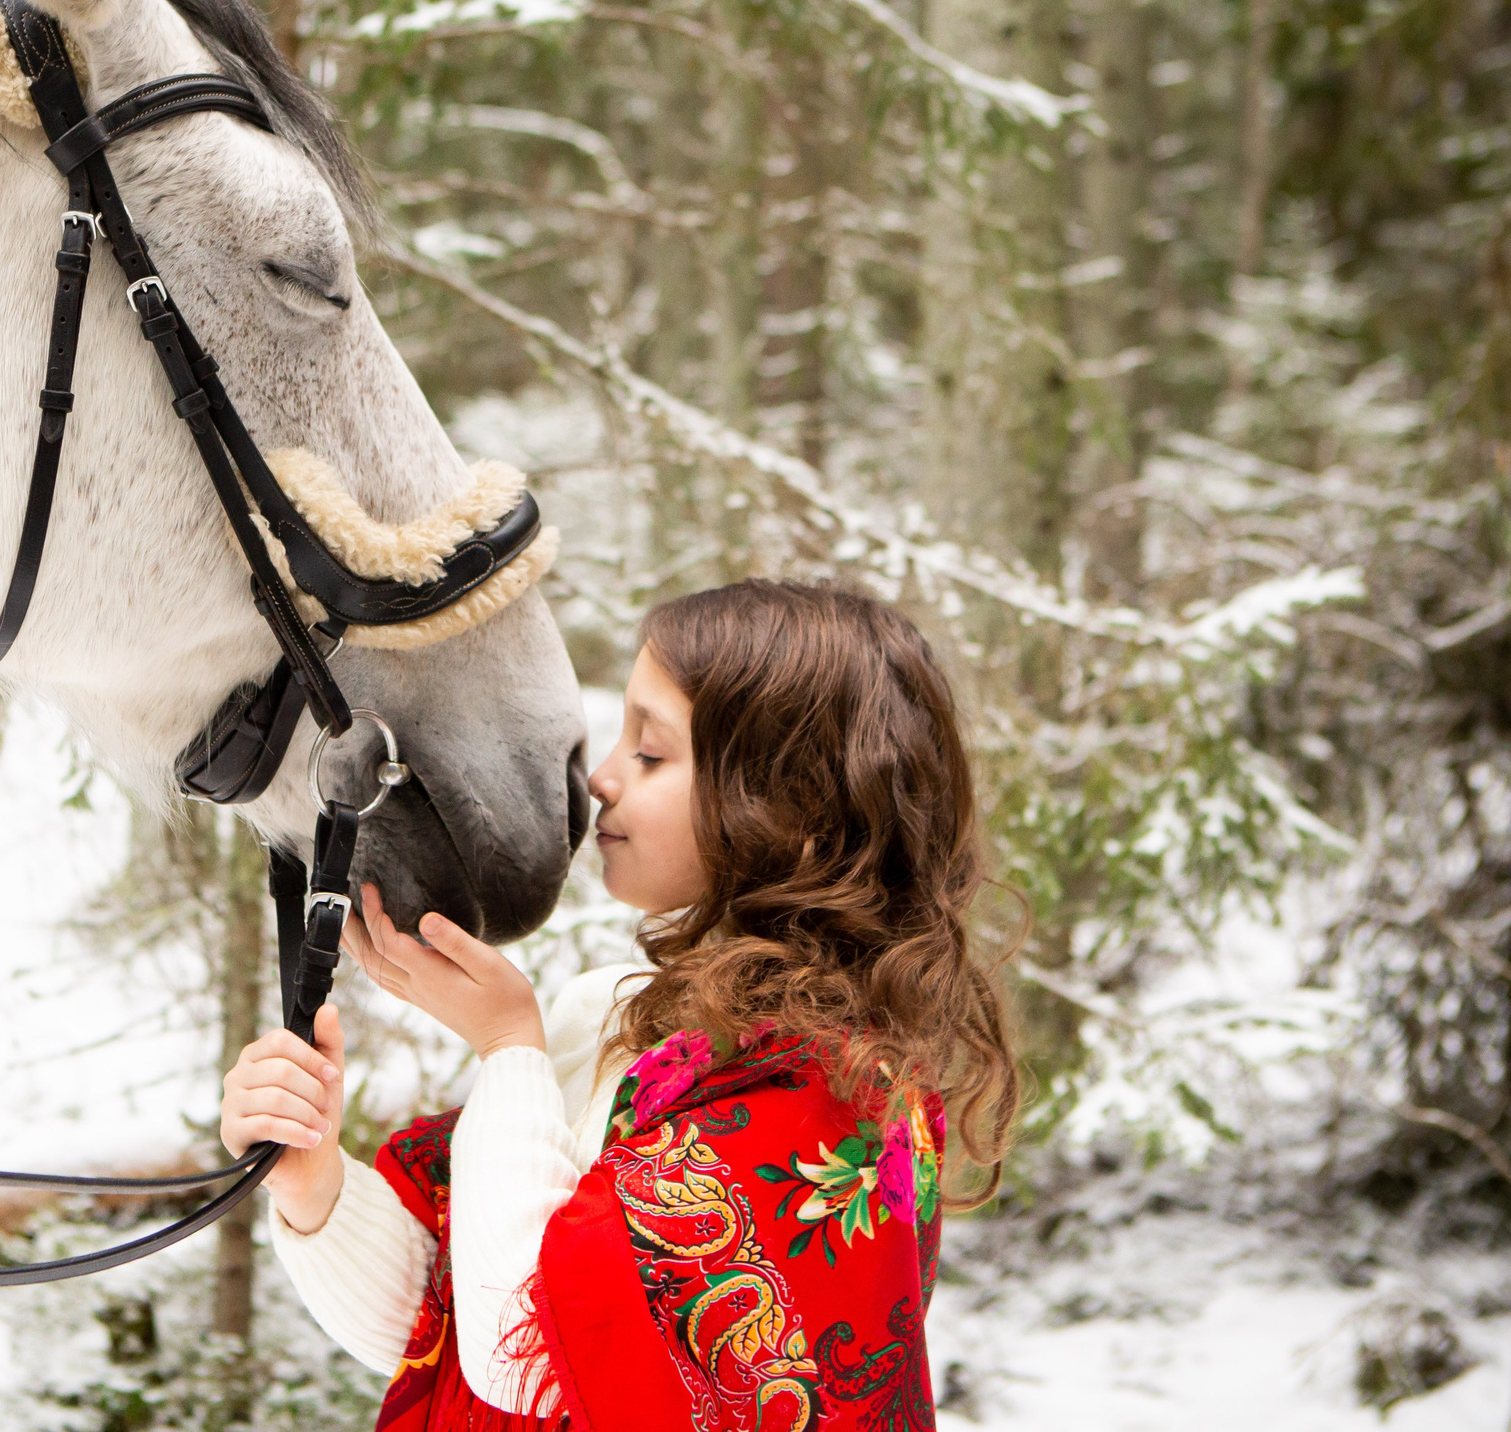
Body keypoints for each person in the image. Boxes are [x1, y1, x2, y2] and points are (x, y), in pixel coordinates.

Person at [220, 578, 1020, 1430]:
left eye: (650, 752)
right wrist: (317, 1185)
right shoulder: (613, 1018)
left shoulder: (833, 1101)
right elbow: (447, 1328)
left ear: (781, 808)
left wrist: (507, 1044)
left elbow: (527, 1354)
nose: (601, 777)